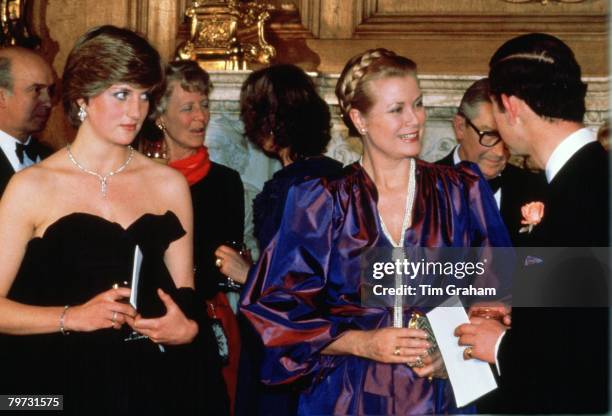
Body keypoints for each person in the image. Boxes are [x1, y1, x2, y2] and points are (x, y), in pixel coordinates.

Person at [240, 49, 511, 415]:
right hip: (347, 395)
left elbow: (499, 288)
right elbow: (274, 306)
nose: (414, 119)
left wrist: (459, 353)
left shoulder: (462, 191)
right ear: (359, 119)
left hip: (439, 397)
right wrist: (361, 343)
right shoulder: (322, 202)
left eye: (417, 104)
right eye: (396, 109)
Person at [0, 26, 226, 415]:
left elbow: (186, 297)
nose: (136, 111)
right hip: (50, 391)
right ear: (83, 97)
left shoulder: (169, 184)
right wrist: (73, 317)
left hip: (151, 388)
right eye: (121, 94)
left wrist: (186, 328)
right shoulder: (31, 186)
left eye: (144, 96)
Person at [455, 33, 609, 414]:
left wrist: (502, 345)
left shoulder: (582, 194)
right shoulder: (581, 179)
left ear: (510, 106)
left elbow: (591, 356)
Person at [214, 64, 343, 416]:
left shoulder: (289, 188)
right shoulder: (338, 175)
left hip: (294, 352)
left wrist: (247, 274)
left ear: (267, 124)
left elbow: (299, 288)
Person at [149, 59, 241, 414]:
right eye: (187, 108)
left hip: (206, 318)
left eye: (204, 105)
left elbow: (224, 258)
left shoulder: (225, 181)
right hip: (151, 318)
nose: (200, 117)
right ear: (159, 116)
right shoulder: (140, 178)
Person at [436, 78, 546, 245]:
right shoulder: (422, 186)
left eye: (508, 137)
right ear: (460, 127)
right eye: (489, 134)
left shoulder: (537, 189)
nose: (499, 152)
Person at [0, 46, 54, 196]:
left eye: (50, 91)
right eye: (37, 90)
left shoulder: (51, 157)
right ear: (2, 97)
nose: (48, 102)